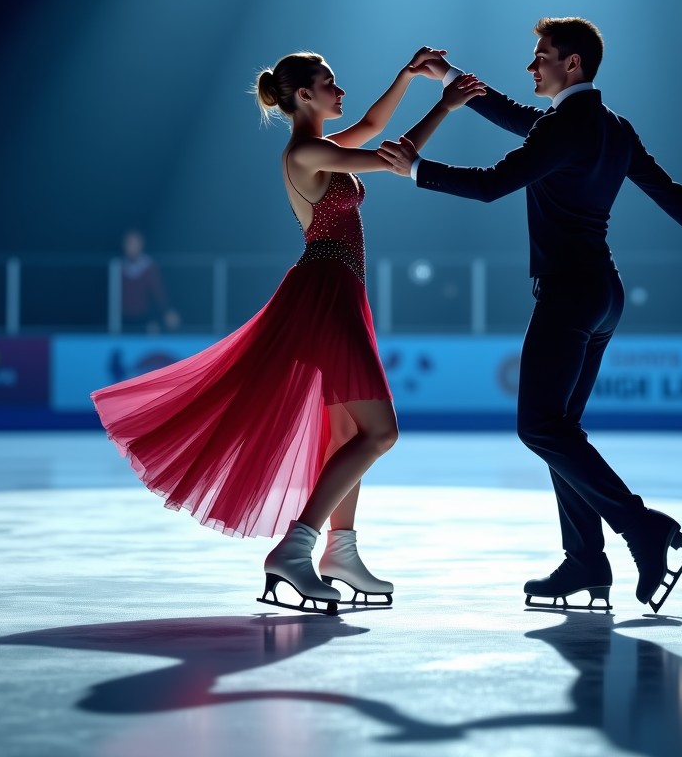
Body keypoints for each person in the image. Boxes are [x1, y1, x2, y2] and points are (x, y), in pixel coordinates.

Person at [379, 17, 682, 613]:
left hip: (570, 294)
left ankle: (643, 528)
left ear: (572, 65)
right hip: (600, 296)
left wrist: (413, 169)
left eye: (540, 56)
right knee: (559, 431)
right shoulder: (608, 127)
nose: (531, 66)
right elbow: (667, 189)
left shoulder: (566, 127)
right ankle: (585, 561)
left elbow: (492, 185)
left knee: (540, 427)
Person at [91, 47, 484, 613]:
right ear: (305, 96)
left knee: (349, 435)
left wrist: (404, 76)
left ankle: (339, 551)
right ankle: (296, 547)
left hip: (338, 289)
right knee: (379, 433)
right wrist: (444, 104)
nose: (340, 91)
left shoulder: (321, 147)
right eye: (330, 83)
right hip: (325, 294)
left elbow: (374, 127)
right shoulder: (306, 153)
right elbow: (394, 157)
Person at [119, 229, 180, 334]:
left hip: (144, 320)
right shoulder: (117, 267)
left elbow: (158, 294)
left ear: (141, 245)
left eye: (135, 243)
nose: (132, 247)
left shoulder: (149, 267)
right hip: (123, 321)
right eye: (129, 243)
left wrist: (166, 312)